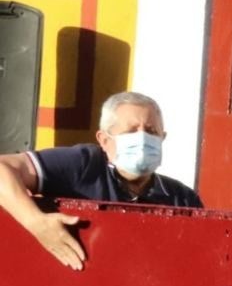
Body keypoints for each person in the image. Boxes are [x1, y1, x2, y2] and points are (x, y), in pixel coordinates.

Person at [0, 91, 203, 270]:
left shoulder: (181, 198)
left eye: (151, 131)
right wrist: (36, 223)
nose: (142, 139)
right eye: (131, 131)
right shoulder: (85, 164)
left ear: (162, 138)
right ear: (104, 140)